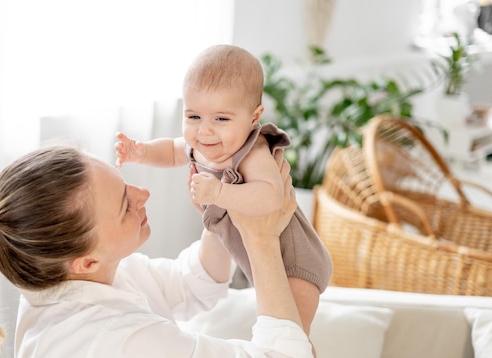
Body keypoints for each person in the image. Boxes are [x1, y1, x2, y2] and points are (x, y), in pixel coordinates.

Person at [0, 144, 316, 358]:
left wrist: (223, 207)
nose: (143, 194)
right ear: (85, 260)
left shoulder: (68, 281)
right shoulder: (115, 349)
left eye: (124, 182)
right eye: (123, 205)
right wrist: (260, 238)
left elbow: (193, 283)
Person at [115, 44, 332, 335]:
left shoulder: (252, 151)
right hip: (255, 257)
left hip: (293, 260)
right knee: (272, 323)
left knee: (293, 333)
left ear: (254, 118)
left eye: (221, 119)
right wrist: (140, 153)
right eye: (193, 116)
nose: (204, 131)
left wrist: (218, 194)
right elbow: (170, 151)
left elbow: (271, 197)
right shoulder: (202, 145)